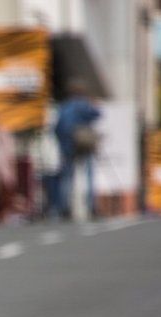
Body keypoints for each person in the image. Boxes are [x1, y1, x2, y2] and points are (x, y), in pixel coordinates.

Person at [53, 82, 101, 220]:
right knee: (89, 175)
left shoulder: (64, 106)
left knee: (67, 176)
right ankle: (91, 207)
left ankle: (65, 208)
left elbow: (57, 127)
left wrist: (62, 143)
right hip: (84, 142)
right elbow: (97, 114)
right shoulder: (85, 104)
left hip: (68, 144)